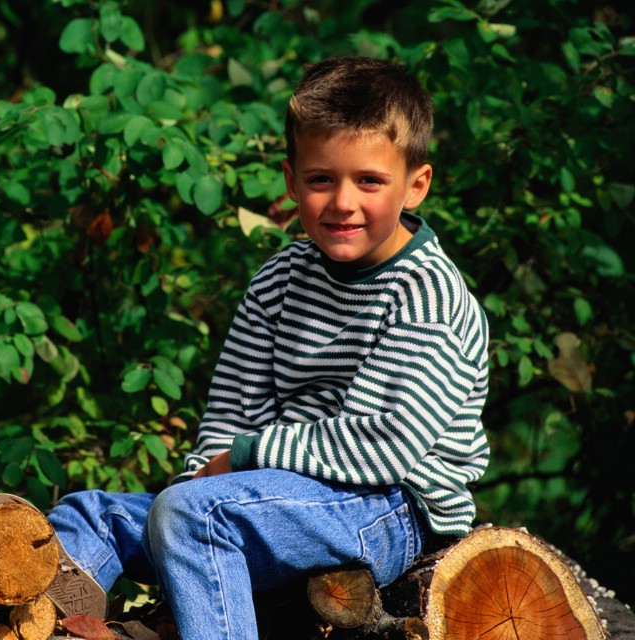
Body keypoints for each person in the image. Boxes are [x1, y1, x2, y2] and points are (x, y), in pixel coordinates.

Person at [46, 56, 490, 639]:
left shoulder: (427, 294)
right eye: (321, 179)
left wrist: (239, 464)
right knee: (93, 515)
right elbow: (231, 412)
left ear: (416, 185)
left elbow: (385, 445)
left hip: (389, 508)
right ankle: (38, 625)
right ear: (291, 180)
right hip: (273, 500)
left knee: (189, 516)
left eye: (370, 181)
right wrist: (199, 477)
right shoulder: (280, 279)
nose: (343, 202)